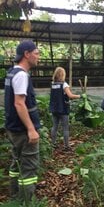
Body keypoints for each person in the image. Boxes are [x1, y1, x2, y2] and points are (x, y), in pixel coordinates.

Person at [4, 40, 41, 202]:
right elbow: (19, 103)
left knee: (16, 162)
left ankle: (14, 196)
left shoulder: (12, 72)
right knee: (28, 168)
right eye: (36, 53)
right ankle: (27, 201)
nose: (38, 56)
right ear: (27, 54)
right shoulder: (21, 75)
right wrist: (31, 129)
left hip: (13, 129)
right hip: (23, 131)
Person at [49, 67, 81, 151]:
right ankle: (66, 146)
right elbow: (70, 96)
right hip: (63, 108)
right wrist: (80, 96)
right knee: (65, 128)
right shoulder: (64, 84)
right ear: (63, 74)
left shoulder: (53, 84)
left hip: (54, 109)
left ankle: (53, 144)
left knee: (54, 126)